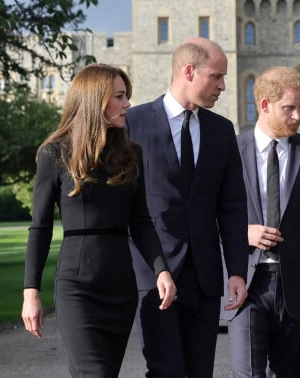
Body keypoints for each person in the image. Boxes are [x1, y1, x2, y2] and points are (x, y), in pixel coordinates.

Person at [21, 64, 176, 377]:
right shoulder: (55, 153)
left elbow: (142, 221)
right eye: (119, 96)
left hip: (120, 288)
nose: (127, 104)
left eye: (126, 96)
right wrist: (31, 292)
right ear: (96, 100)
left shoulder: (131, 154)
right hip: (77, 289)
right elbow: (40, 227)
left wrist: (161, 270)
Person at [125, 37, 249, 377]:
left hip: (206, 277)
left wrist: (237, 270)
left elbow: (233, 207)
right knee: (166, 370)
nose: (223, 86)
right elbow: (121, 203)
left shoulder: (222, 130)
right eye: (217, 76)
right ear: (189, 71)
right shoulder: (133, 124)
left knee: (198, 372)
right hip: (154, 275)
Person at [223, 66, 300, 377]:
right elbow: (204, 214)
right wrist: (242, 233)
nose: (297, 116)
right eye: (288, 108)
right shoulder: (229, 151)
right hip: (246, 282)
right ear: (265, 105)